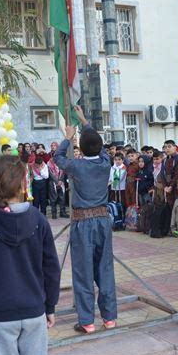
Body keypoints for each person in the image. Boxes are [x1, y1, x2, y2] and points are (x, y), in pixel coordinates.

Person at [0, 155, 60, 355]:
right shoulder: (39, 220)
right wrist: (50, 306)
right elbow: (51, 269)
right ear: (23, 183)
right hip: (34, 309)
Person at [54, 105, 117, 334]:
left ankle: (87, 321)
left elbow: (57, 157)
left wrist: (67, 138)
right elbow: (96, 145)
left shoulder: (76, 166)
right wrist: (84, 122)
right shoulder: (105, 162)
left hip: (83, 223)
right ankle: (109, 318)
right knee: (105, 269)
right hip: (103, 220)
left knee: (83, 273)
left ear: (80, 148)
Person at [161, 140, 178, 208]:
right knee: (170, 207)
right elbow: (162, 174)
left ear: (175, 147)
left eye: (169, 147)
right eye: (165, 147)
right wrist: (165, 186)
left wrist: (171, 186)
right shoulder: (164, 160)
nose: (167, 149)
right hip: (168, 188)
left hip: (177, 186)